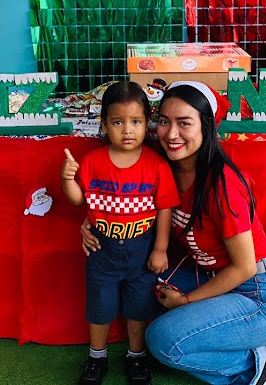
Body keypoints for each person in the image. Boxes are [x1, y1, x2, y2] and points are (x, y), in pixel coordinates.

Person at [82, 81, 266, 385]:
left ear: (206, 126)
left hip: (257, 295)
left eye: (184, 123)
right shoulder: (164, 166)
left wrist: (187, 301)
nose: (171, 133)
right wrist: (92, 222)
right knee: (146, 287)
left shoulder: (222, 185)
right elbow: (121, 196)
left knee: (163, 340)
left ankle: (255, 363)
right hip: (209, 278)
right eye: (164, 121)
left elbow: (244, 267)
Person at [62, 81, 180, 385]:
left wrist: (160, 249)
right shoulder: (92, 162)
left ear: (147, 123)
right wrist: (68, 180)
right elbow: (77, 200)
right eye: (118, 122)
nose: (127, 130)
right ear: (104, 125)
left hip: (142, 252)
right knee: (100, 308)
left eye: (136, 121)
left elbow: (165, 209)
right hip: (101, 251)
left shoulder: (157, 165)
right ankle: (97, 357)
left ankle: (136, 356)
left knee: (138, 309)